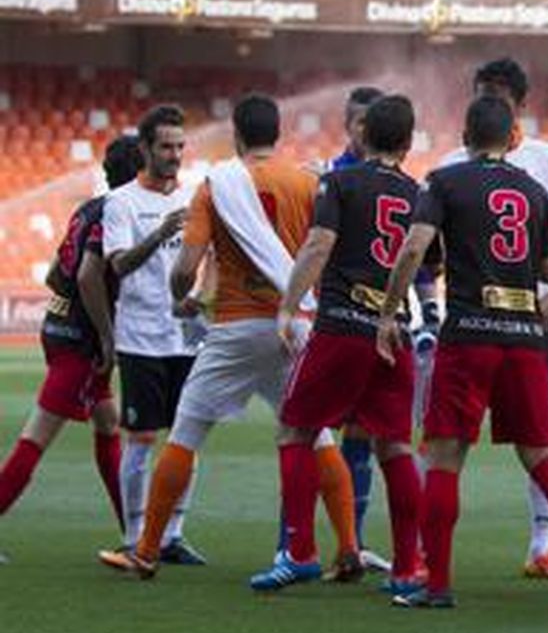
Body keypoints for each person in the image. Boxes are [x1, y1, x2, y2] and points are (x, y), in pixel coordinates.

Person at [376, 94, 548, 610]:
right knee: (543, 454)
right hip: (526, 338)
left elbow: (415, 247)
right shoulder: (533, 190)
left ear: (465, 138)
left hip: (470, 332)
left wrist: (389, 311)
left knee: (445, 456)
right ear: (513, 139)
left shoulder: (445, 181)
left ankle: (438, 584)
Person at [100, 94, 358, 580]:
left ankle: (147, 549)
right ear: (276, 133)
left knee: (187, 432)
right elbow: (325, 252)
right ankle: (347, 547)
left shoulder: (216, 187)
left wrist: (182, 296)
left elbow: (186, 268)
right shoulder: (308, 182)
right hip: (294, 324)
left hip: (236, 325)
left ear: (236, 134)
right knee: (316, 434)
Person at [249, 95, 429, 595]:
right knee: (393, 446)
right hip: (394, 331)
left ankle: (301, 552)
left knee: (295, 433)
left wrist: (289, 306)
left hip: (343, 327)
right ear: (409, 142)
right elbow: (421, 263)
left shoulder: (341, 181)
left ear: (364, 134)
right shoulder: (419, 193)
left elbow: (319, 245)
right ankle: (409, 566)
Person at [442, 58, 548, 584]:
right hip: (481, 321)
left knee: (541, 437)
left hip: (523, 320)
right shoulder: (449, 163)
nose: (491, 103)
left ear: (520, 109)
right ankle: (424, 558)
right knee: (447, 442)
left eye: (501, 97)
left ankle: (542, 547)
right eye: (483, 93)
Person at [0, 136, 143, 547]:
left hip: (58, 327)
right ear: (139, 173)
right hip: (81, 342)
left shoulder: (87, 209)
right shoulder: (118, 214)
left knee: (107, 422)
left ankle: (132, 533)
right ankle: (134, 532)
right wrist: (106, 334)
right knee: (37, 435)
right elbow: (86, 275)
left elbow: (53, 275)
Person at [100, 105, 203, 564]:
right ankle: (135, 533)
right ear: (145, 149)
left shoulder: (196, 198)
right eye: (166, 146)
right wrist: (160, 233)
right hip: (140, 336)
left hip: (185, 336)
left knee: (185, 437)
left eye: (180, 146)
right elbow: (118, 265)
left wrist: (200, 299)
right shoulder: (121, 202)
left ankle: (174, 534)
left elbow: (212, 258)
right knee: (141, 437)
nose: (174, 155)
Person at [326, 85, 393, 571]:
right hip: (335, 320)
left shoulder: (392, 180)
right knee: (315, 432)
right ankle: (302, 543)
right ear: (348, 127)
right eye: (359, 125)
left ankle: (356, 539)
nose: (366, 133)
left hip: (375, 324)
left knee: (364, 434)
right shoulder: (330, 179)